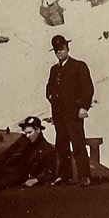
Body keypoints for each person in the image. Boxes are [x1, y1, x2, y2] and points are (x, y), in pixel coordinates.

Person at [45, 34, 96, 186]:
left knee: (78, 143)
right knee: (62, 144)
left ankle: (84, 176)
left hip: (74, 113)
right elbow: (49, 87)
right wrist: (50, 96)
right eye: (56, 50)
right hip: (58, 113)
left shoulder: (79, 66)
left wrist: (83, 107)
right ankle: (64, 175)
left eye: (61, 48)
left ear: (67, 48)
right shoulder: (54, 69)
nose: (59, 52)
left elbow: (88, 88)